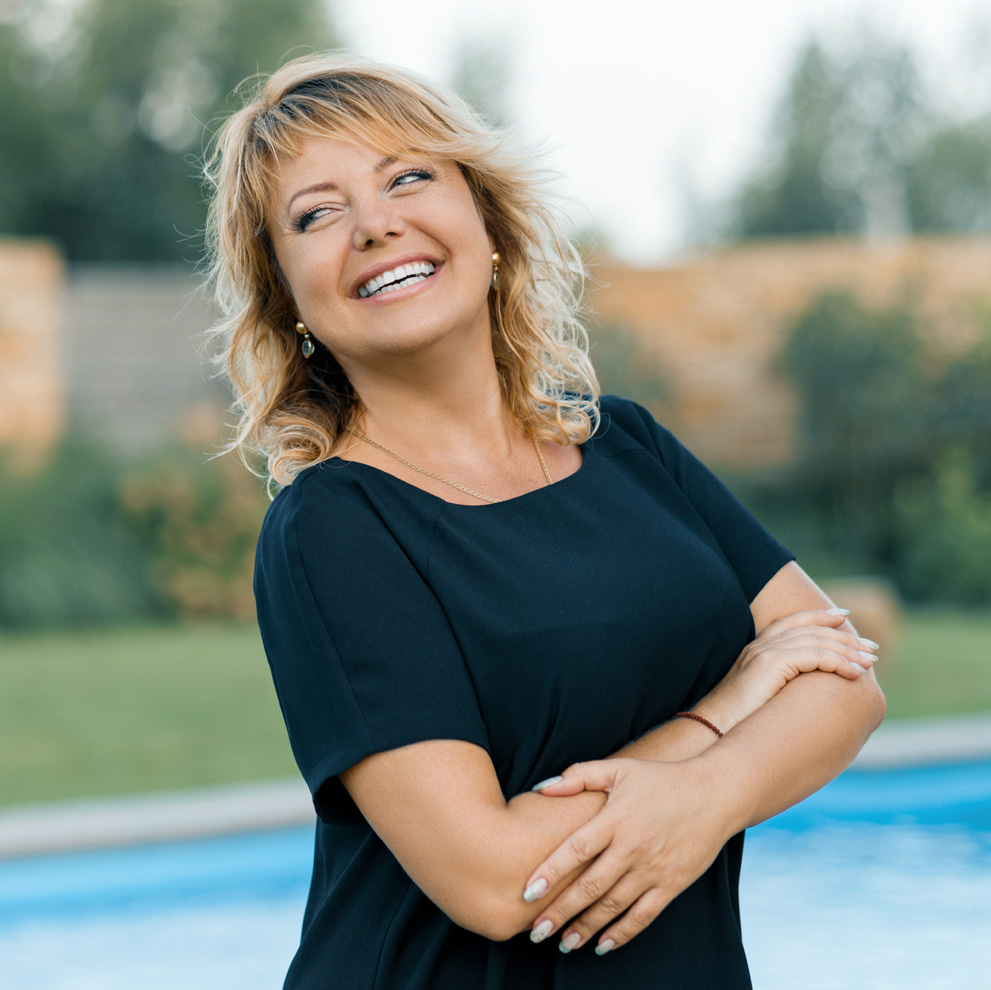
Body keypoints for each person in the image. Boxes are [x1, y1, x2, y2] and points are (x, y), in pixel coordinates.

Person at [203, 53, 886, 990]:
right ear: (290, 301)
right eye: (316, 215)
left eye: (408, 176)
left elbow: (843, 680)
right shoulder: (330, 530)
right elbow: (491, 878)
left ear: (486, 222)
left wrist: (710, 795)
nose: (374, 224)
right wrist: (724, 716)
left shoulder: (627, 446)